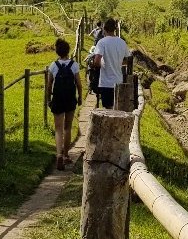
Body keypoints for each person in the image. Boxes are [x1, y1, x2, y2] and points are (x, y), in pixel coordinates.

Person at [44, 38, 82, 170]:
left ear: (57, 52)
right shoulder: (74, 65)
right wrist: (80, 97)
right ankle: (66, 154)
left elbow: (49, 85)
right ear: (68, 51)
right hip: (70, 99)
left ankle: (59, 154)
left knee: (58, 129)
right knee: (68, 127)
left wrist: (49, 99)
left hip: (58, 99)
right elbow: (79, 84)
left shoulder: (53, 66)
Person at [88, 17, 130, 109]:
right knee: (118, 108)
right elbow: (127, 60)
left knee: (108, 109)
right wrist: (118, 62)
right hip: (119, 81)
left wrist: (101, 65)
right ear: (115, 29)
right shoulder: (122, 42)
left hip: (106, 82)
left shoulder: (102, 42)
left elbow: (97, 60)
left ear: (104, 29)